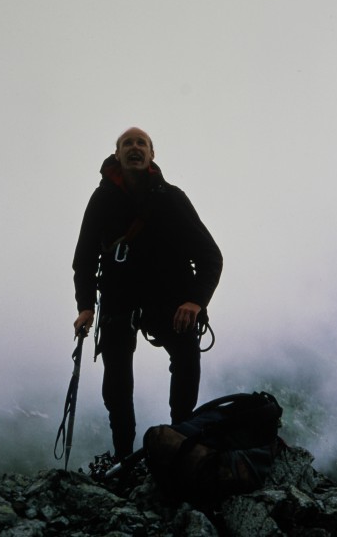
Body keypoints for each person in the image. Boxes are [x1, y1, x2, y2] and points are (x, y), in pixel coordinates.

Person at [73, 127, 223, 460]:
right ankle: (124, 455)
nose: (135, 148)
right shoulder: (101, 200)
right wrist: (85, 307)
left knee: (185, 359)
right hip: (118, 298)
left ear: (152, 154)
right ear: (118, 155)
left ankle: (179, 440)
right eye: (128, 143)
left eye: (142, 143)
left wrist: (196, 301)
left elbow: (211, 256)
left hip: (170, 299)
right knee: (116, 380)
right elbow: (83, 259)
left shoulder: (172, 198)